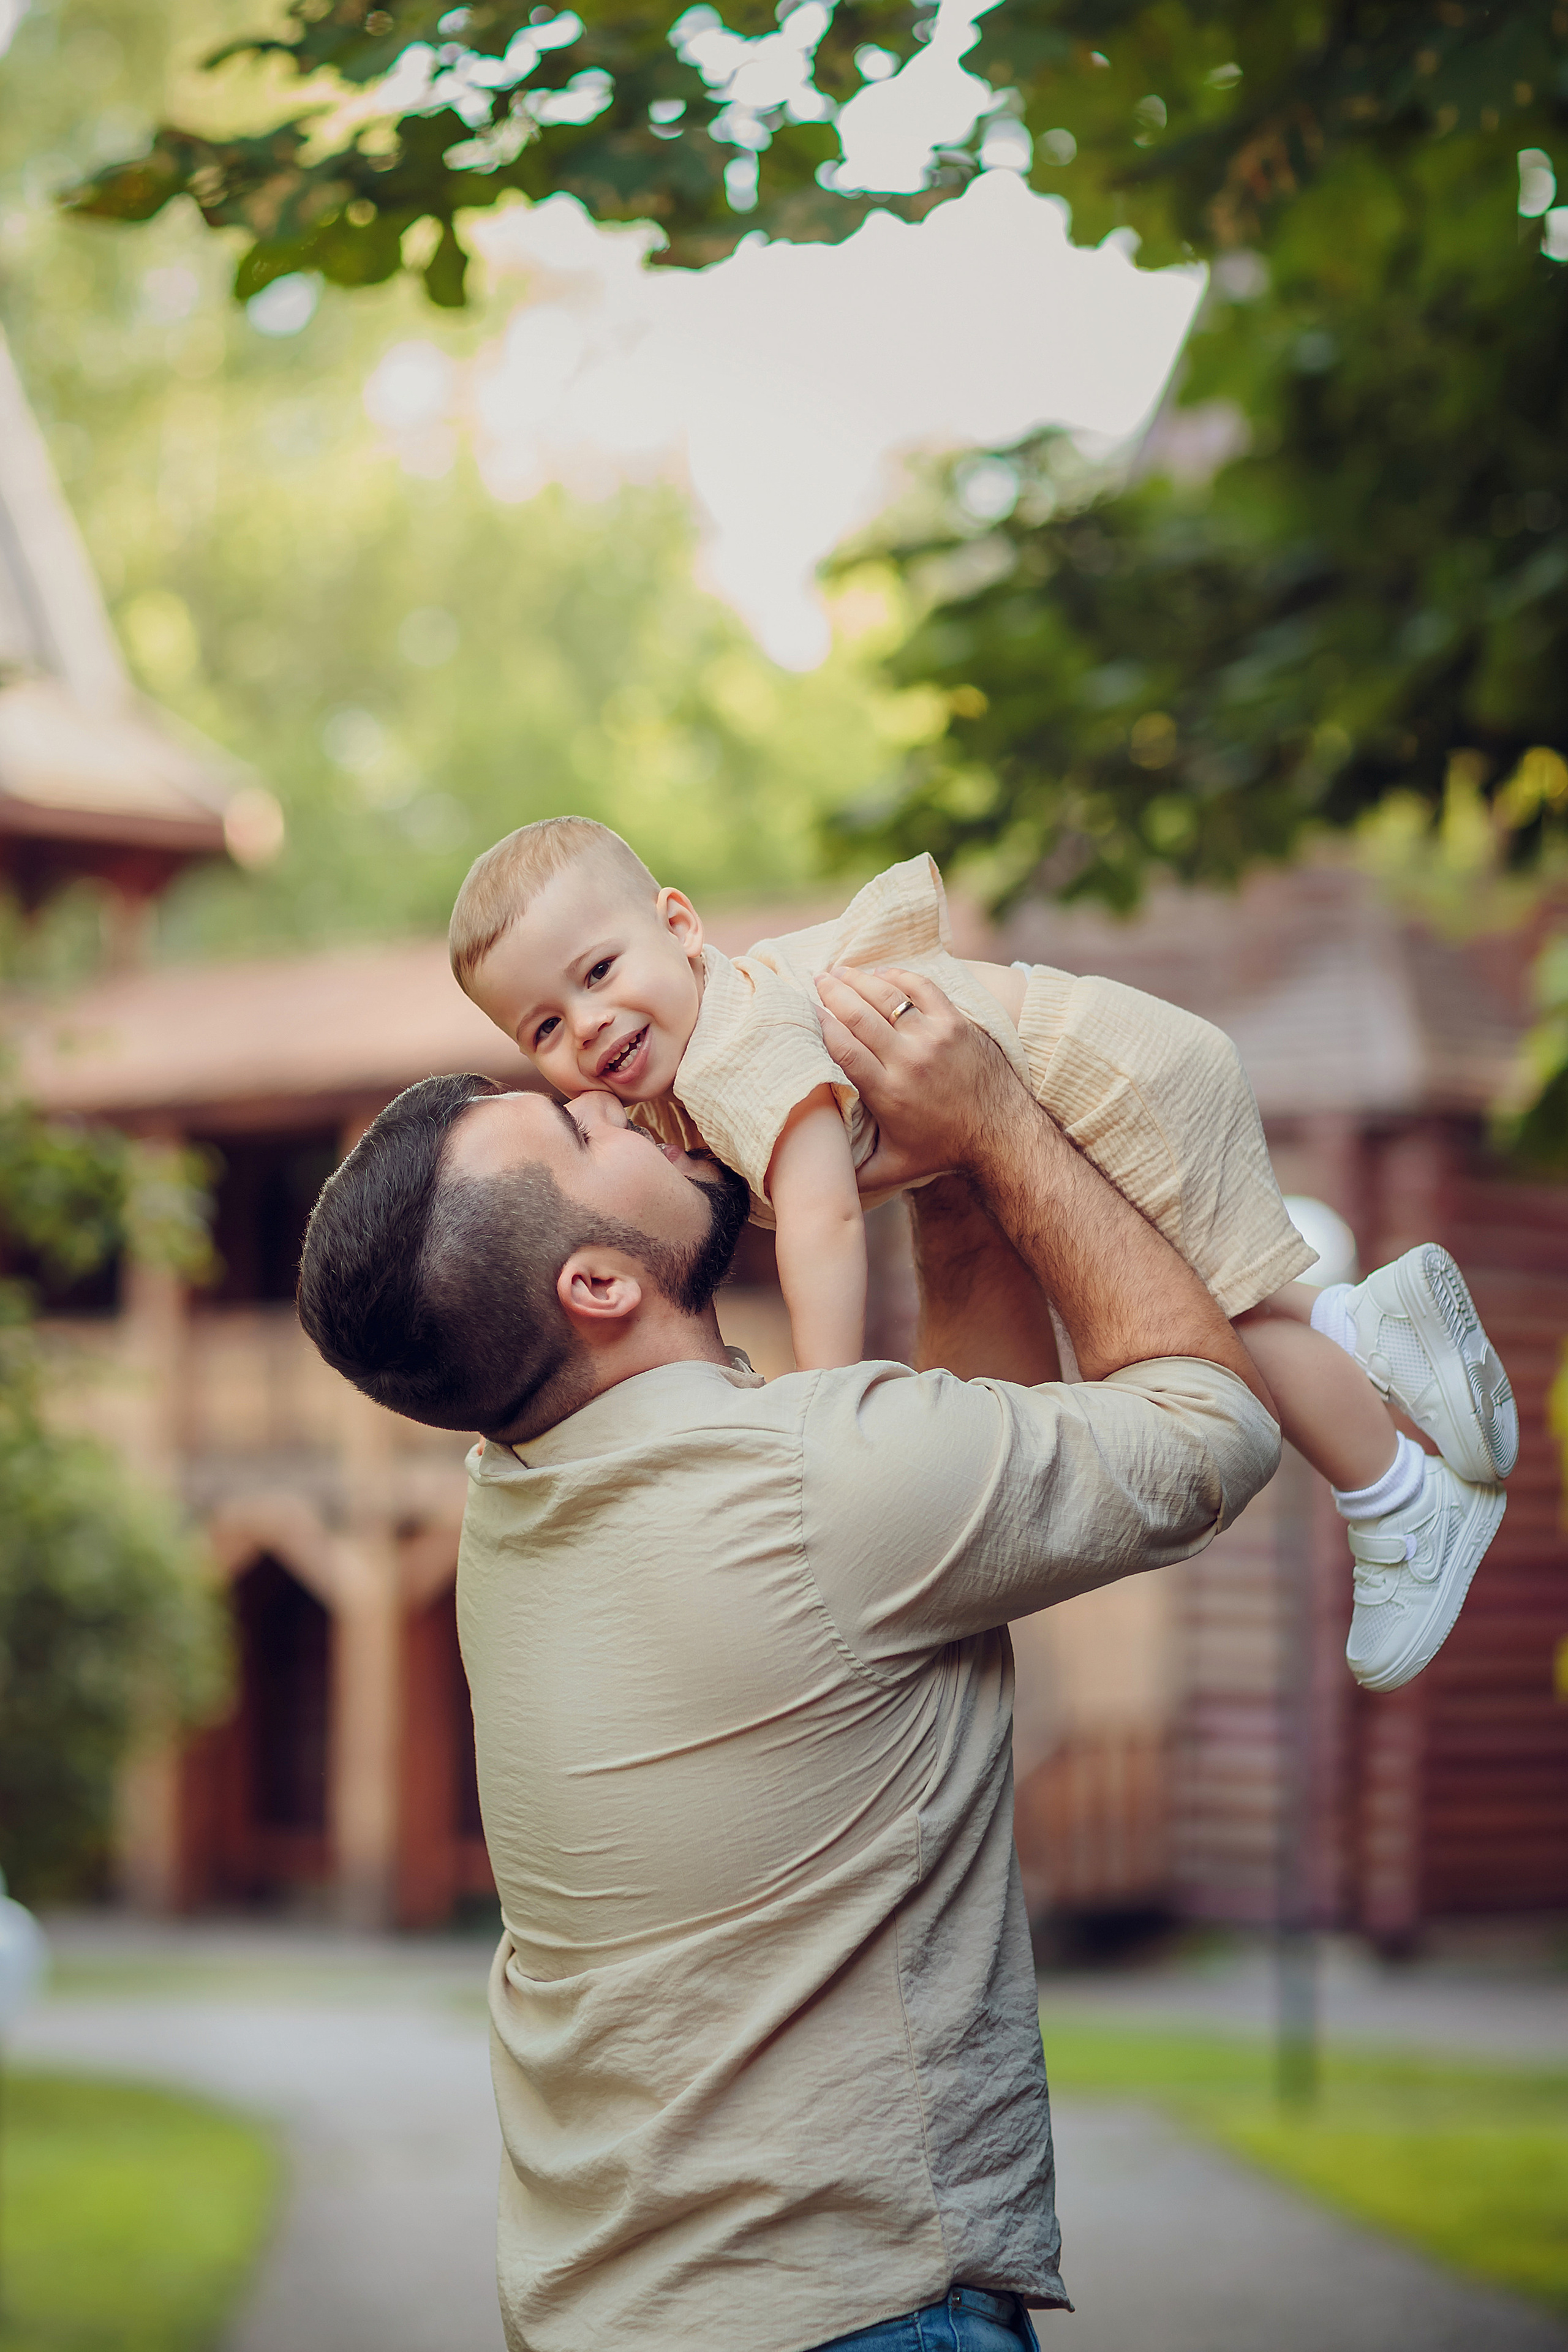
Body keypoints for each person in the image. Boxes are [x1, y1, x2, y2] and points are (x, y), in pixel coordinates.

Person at [296, 963, 1283, 2351]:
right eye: (580, 1134)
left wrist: (938, 1180)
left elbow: (951, 1450)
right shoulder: (807, 1486)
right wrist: (998, 1117)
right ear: (594, 1283)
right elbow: (1211, 1428)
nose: (610, 1102)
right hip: (855, 2316)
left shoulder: (513, 1499)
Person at [446, 816, 1516, 1694]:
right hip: (1103, 1054)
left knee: (1203, 1327)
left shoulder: (734, 1050)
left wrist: (818, 1404)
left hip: (1095, 1079)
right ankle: (1368, 1329)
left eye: (597, 971)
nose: (587, 1024)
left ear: (678, 923)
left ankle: (1404, 1503)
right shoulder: (698, 1058)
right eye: (543, 1027)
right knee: (1214, 1303)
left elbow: (819, 1217)